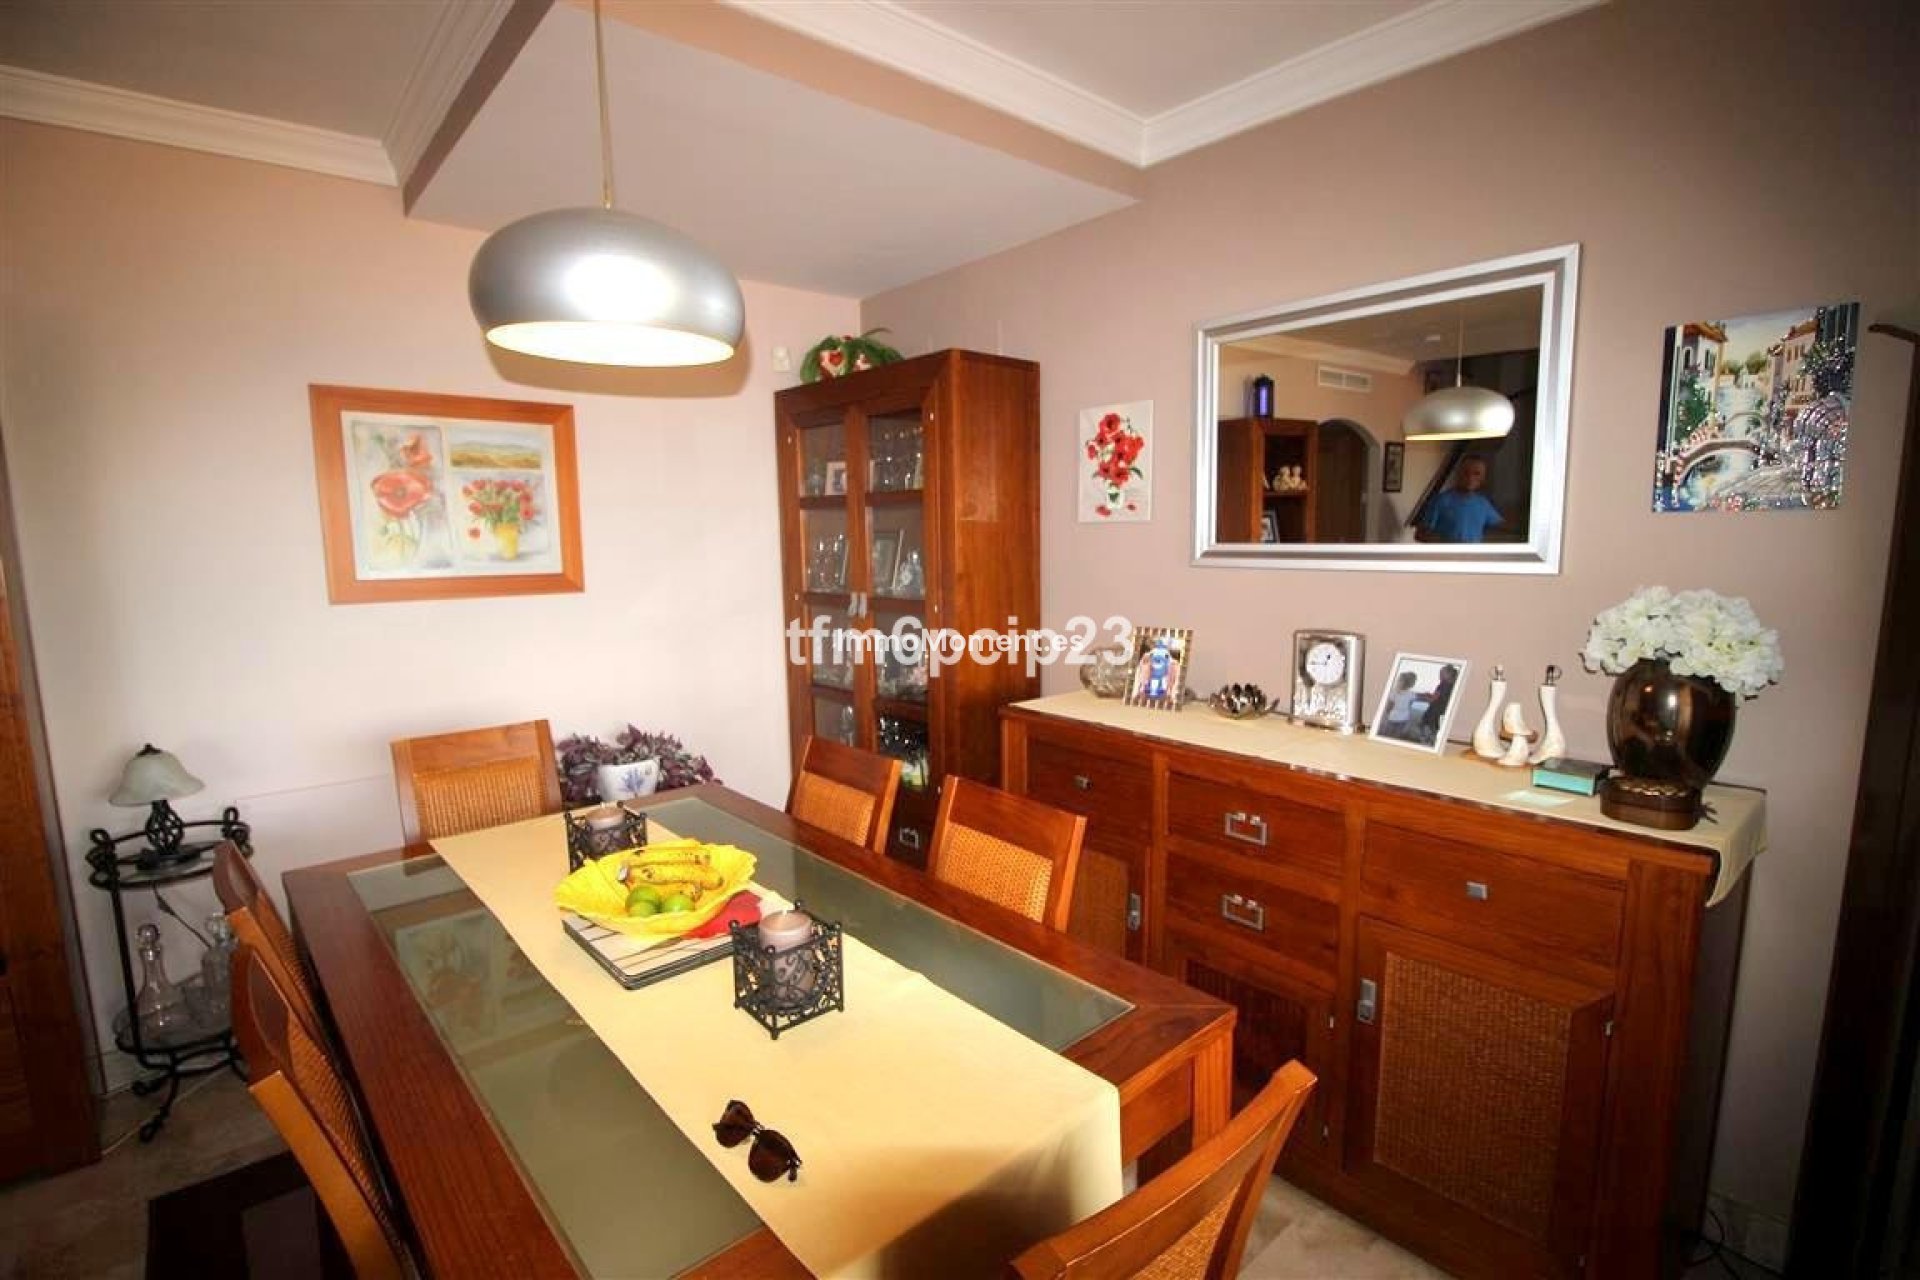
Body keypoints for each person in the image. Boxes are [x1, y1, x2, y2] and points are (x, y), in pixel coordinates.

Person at [1416, 456, 1503, 543]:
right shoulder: (1441, 500)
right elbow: (1420, 535)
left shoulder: (1483, 503)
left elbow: (1499, 525)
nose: (1470, 477)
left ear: (1483, 478)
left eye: (1477, 473)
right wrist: (1449, 542)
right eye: (1466, 472)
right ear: (1458, 473)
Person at [1420, 664, 1461, 742]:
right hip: (1442, 713)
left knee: (1427, 733)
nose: (1439, 675)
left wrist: (1422, 697)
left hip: (1433, 713)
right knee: (1436, 734)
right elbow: (1440, 698)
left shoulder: (1443, 685)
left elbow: (1432, 700)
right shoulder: (1454, 685)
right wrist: (1430, 695)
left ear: (1447, 675)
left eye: (1441, 673)